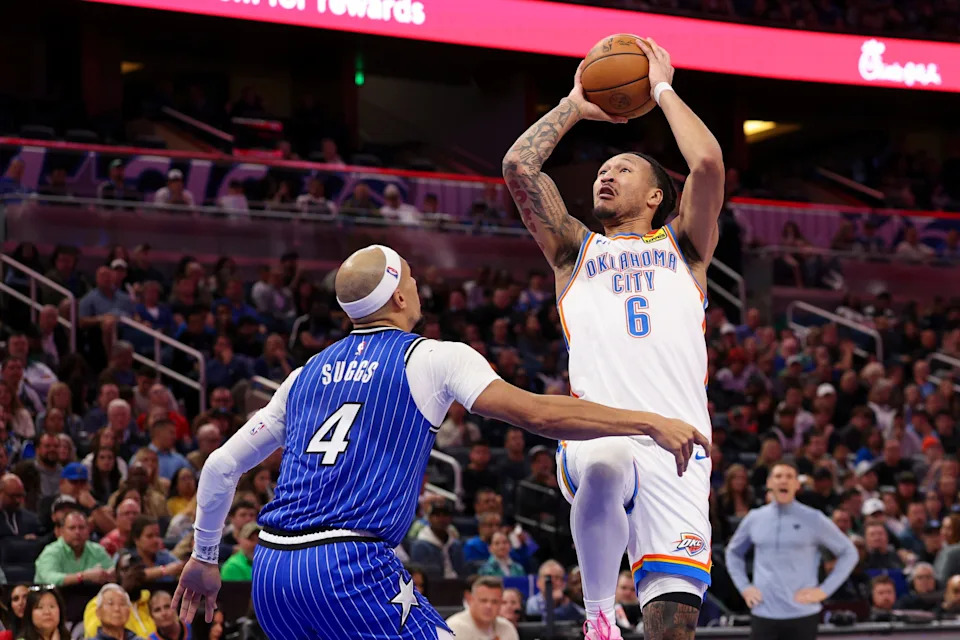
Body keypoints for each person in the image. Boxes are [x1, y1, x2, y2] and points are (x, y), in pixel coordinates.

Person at [172, 244, 706, 638]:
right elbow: (540, 414)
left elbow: (219, 466)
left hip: (271, 574)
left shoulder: (303, 374)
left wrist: (204, 556)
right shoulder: (431, 356)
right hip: (347, 566)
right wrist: (645, 421)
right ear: (401, 293)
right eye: (411, 274)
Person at [503, 37, 721, 639]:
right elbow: (519, 168)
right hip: (599, 432)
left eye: (623, 169)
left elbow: (706, 165)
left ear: (656, 196)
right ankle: (599, 610)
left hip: (681, 454)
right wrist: (575, 103)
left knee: (673, 628)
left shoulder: (686, 248)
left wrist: (661, 89)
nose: (606, 174)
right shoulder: (575, 251)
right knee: (607, 454)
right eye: (601, 169)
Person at [725, 462, 858, 640]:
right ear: (769, 483)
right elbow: (733, 553)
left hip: (803, 614)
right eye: (778, 476)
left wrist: (824, 591)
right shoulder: (755, 518)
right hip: (764, 613)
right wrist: (744, 587)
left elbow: (849, 553)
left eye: (789, 477)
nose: (784, 481)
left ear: (797, 484)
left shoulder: (813, 518)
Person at [84, 551, 157, 638]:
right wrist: (122, 593)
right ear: (115, 575)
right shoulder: (99, 601)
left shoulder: (150, 602)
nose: (132, 575)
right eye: (125, 570)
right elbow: (95, 633)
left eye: (136, 570)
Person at [34, 509, 114, 586]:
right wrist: (83, 576)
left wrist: (107, 575)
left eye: (81, 527)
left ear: (88, 530)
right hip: (57, 596)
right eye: (72, 528)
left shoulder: (97, 550)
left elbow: (111, 571)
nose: (77, 532)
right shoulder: (51, 551)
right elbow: (49, 579)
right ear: (62, 531)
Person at [445, 576, 519, 640]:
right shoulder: (455, 628)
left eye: (494, 602)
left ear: (500, 604)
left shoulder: (507, 628)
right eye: (483, 601)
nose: (489, 606)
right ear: (470, 600)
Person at [0, 473, 40, 538]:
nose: (18, 500)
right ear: (1, 493)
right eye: (13, 496)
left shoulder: (32, 520)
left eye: (20, 496)